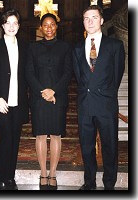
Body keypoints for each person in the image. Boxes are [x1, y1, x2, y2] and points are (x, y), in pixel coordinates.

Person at [73, 5, 125, 190]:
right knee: (87, 148)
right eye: (86, 18)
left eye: (94, 17)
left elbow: (117, 74)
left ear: (102, 20)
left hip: (106, 105)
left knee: (109, 147)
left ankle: (109, 184)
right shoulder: (78, 47)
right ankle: (89, 183)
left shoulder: (115, 45)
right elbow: (80, 76)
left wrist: (106, 94)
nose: (90, 21)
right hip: (85, 106)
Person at [26, 13, 73, 190]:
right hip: (39, 98)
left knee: (55, 135)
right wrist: (43, 91)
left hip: (58, 97)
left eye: (52, 24)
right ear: (41, 27)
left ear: (56, 27)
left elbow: (68, 72)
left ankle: (53, 173)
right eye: (45, 25)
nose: (49, 28)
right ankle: (43, 173)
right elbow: (29, 73)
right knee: (39, 135)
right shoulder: (32, 47)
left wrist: (54, 91)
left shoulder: (65, 47)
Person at [0, 9, 29, 190]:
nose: (11, 26)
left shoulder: (25, 46)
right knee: (4, 141)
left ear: (18, 26)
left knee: (15, 141)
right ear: (2, 25)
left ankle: (10, 177)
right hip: (2, 102)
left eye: (15, 23)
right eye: (8, 23)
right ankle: (0, 178)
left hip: (18, 103)